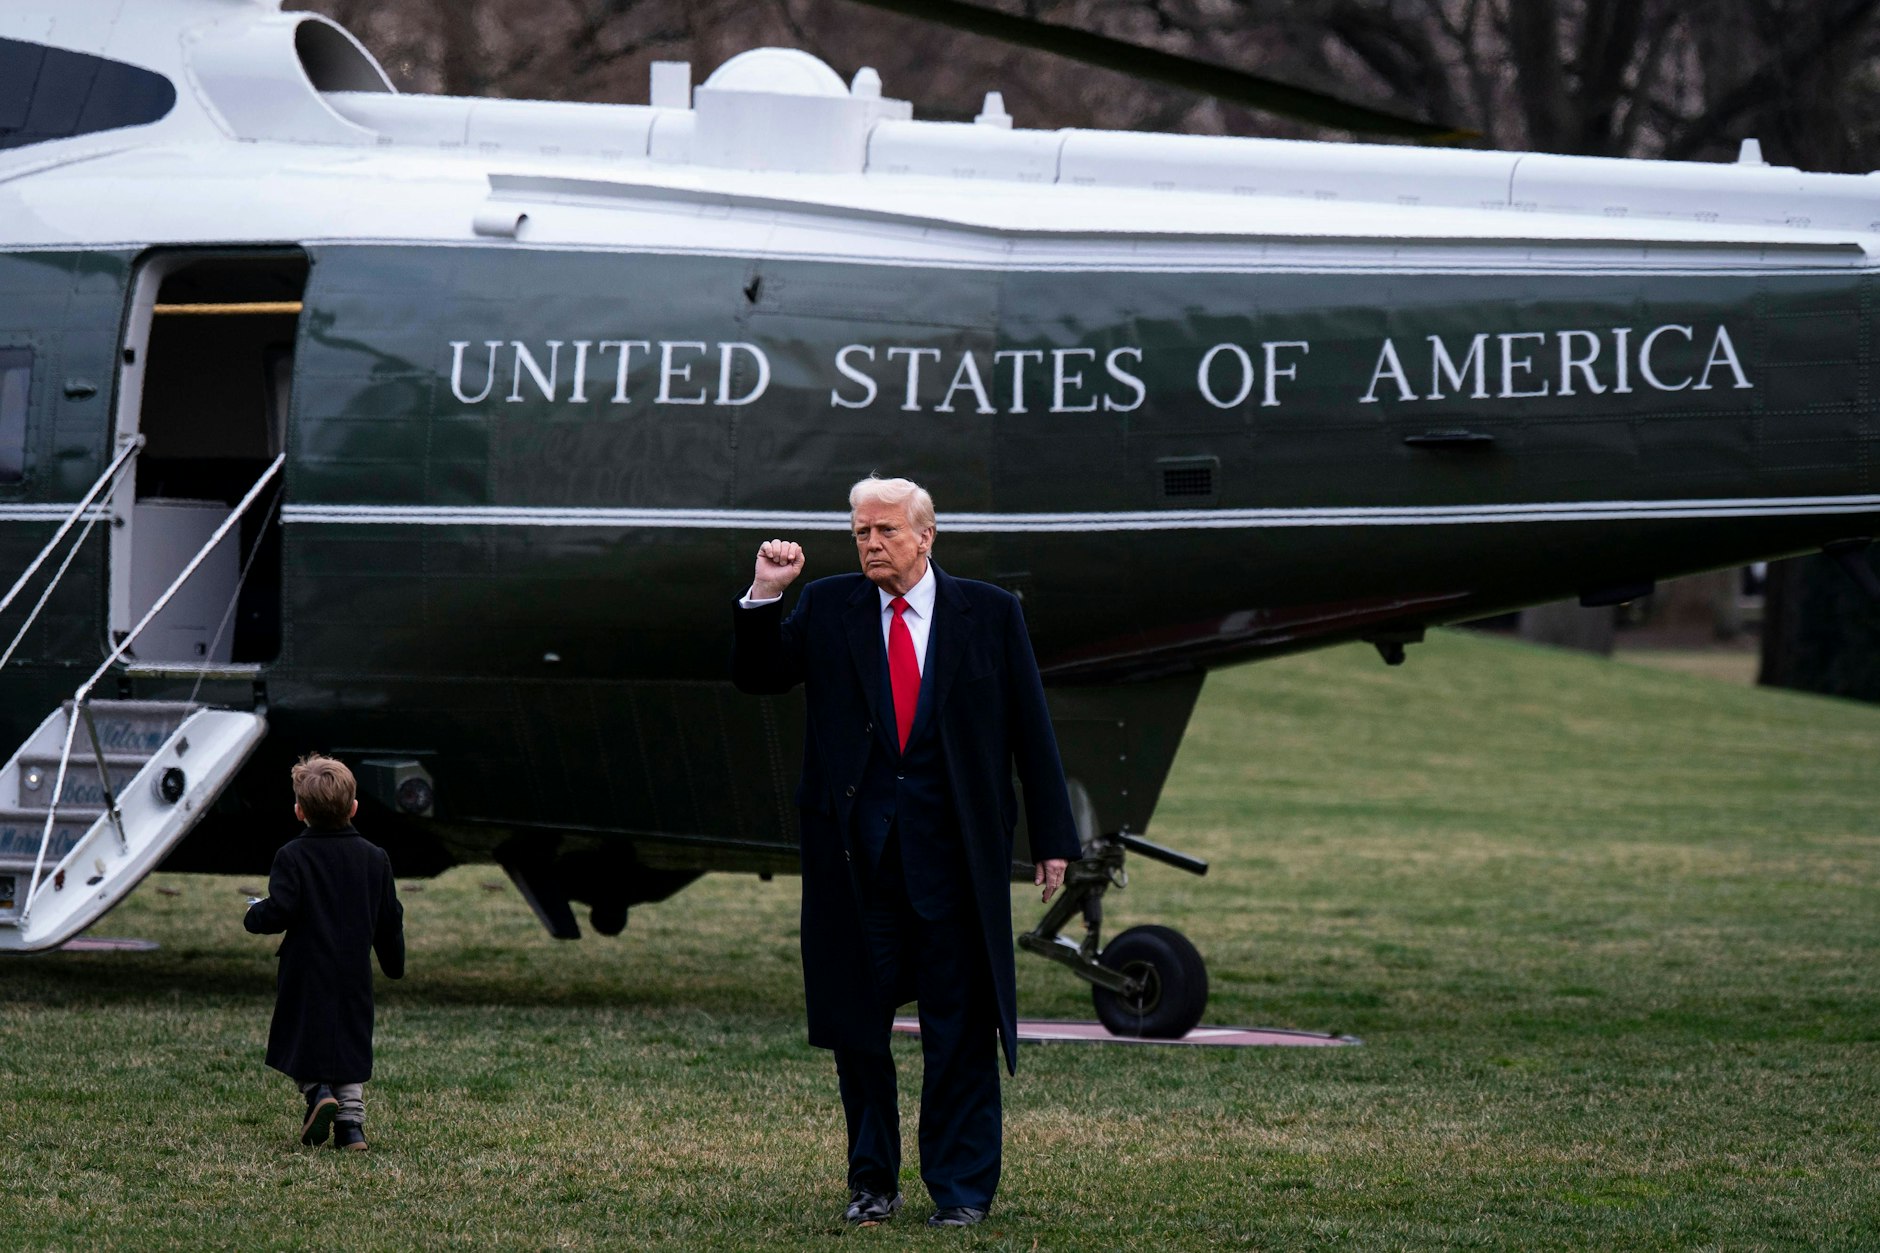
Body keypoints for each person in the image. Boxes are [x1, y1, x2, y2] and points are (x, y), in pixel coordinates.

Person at [732, 475, 1080, 1229]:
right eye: (860, 532)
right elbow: (758, 674)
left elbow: (1031, 728)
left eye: (886, 531)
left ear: (926, 536)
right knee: (858, 1030)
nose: (871, 544)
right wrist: (765, 594)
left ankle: (960, 1190)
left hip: (954, 861)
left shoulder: (988, 613)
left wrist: (1053, 838)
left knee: (960, 1029)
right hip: (856, 864)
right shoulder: (827, 606)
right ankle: (872, 1183)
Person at [244, 754, 405, 1152]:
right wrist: (394, 964)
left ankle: (317, 1093)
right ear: (354, 807)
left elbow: (280, 909)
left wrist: (254, 914)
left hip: (305, 969)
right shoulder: (375, 858)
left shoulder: (292, 856)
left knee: (297, 1037)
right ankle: (351, 1129)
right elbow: (389, 918)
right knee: (349, 1040)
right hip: (353, 971)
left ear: (299, 811)